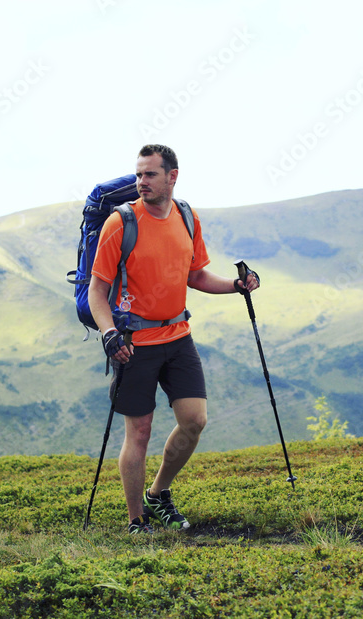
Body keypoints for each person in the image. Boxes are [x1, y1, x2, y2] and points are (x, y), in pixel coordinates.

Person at [87, 144, 259, 534]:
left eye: (149, 174)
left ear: (172, 176)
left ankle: (158, 493)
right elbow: (98, 291)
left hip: (178, 336)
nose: (140, 182)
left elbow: (196, 275)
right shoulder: (121, 223)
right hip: (134, 342)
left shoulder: (186, 217)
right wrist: (109, 333)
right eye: (138, 174)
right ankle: (136, 521)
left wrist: (236, 285)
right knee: (140, 432)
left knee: (194, 420)